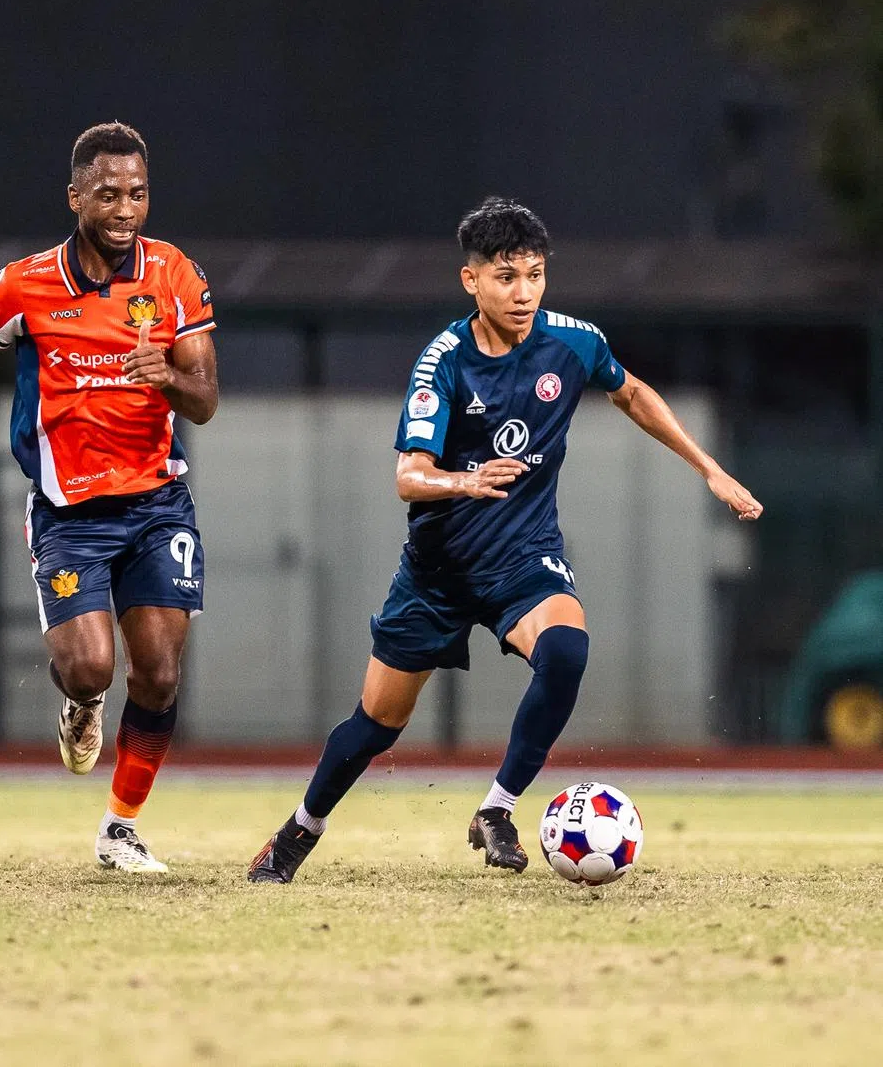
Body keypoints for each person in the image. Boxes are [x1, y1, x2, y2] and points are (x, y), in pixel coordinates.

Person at [248, 197, 761, 883]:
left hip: (523, 559)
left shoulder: (574, 342)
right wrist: (465, 481)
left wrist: (709, 469)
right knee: (376, 726)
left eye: (535, 275)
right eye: (506, 277)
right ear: (472, 280)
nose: (523, 293)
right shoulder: (444, 362)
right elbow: (408, 477)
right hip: (437, 573)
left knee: (566, 650)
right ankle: (299, 831)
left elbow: (632, 393)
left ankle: (496, 808)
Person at [0, 122, 218, 873]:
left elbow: (206, 399)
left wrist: (168, 377)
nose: (126, 209)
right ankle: (81, 705)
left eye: (138, 194)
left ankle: (120, 829)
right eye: (109, 195)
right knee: (91, 669)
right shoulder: (25, 284)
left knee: (159, 675)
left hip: (156, 504)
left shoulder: (174, 274)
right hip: (69, 512)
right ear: (76, 197)